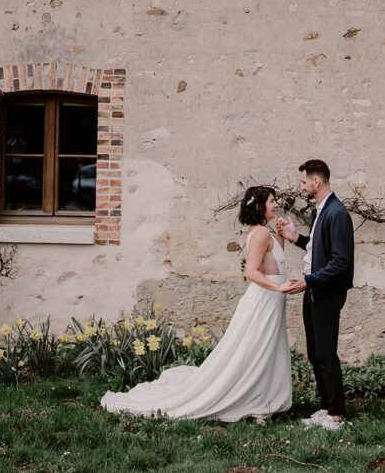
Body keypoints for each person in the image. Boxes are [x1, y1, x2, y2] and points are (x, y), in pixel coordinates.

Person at [99, 186, 292, 422]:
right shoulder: (260, 233)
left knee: (266, 348)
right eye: (272, 201)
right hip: (265, 299)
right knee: (256, 350)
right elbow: (252, 273)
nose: (276, 204)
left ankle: (263, 398)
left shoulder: (265, 231)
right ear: (260, 206)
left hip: (271, 299)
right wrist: (280, 287)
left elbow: (273, 266)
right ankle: (255, 400)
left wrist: (281, 237)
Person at [276, 159, 355, 430]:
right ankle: (326, 407)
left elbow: (340, 261)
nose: (302, 187)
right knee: (314, 352)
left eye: (303, 181)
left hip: (326, 292)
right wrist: (294, 237)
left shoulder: (337, 213)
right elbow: (319, 249)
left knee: (325, 353)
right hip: (313, 290)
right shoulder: (323, 210)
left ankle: (336, 414)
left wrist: (308, 281)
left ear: (316, 181)